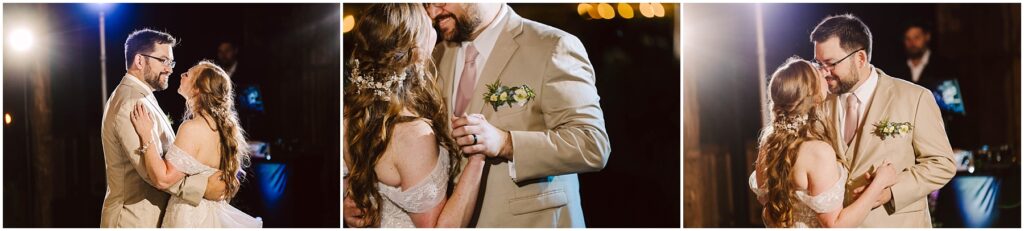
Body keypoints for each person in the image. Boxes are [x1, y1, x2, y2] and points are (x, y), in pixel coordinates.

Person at [427, 3, 610, 227]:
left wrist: (506, 143)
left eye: (440, 2)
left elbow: (592, 144)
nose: (432, 13)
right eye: (427, 4)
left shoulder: (551, 46)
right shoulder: (437, 55)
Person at [342, 3, 487, 228]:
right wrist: (478, 159)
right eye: (428, 24)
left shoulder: (352, 113)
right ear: (416, 49)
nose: (434, 23)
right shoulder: (412, 135)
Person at [810, 14, 956, 227]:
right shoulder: (820, 102)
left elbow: (942, 164)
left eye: (830, 64)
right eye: (819, 64)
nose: (824, 73)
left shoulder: (914, 98)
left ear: (860, 59)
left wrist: (890, 192)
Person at [749, 57, 899, 227]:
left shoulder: (768, 143)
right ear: (812, 95)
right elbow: (835, 225)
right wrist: (880, 182)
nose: (823, 71)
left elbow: (768, 203)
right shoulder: (817, 151)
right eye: (816, 71)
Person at [99, 29, 227, 228]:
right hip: (133, 220)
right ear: (140, 61)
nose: (170, 69)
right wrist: (205, 187)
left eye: (171, 62)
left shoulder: (143, 96)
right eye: (164, 61)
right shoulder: (130, 103)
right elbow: (153, 175)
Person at [129, 61, 262, 227]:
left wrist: (146, 135)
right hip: (211, 216)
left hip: (189, 217)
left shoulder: (192, 128)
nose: (181, 75)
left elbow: (163, 179)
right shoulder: (225, 129)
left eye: (187, 74)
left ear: (198, 89)